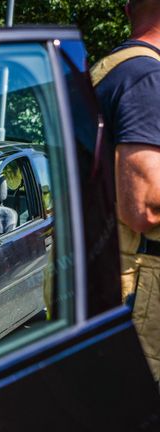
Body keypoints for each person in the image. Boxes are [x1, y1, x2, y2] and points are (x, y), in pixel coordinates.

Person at [92, 0, 160, 380]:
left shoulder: (110, 71)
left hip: (112, 281)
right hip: (141, 295)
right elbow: (143, 205)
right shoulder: (147, 78)